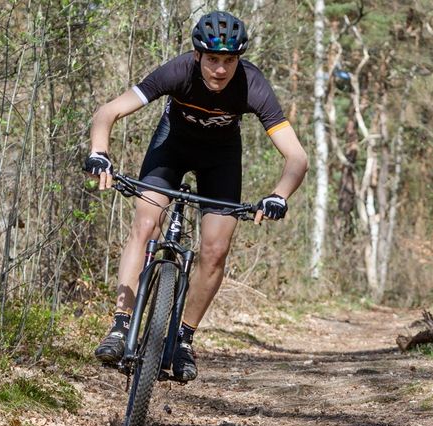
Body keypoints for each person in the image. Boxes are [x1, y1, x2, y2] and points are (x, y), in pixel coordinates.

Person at [83, 11, 308, 382]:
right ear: (197, 56)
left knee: (215, 249)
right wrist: (99, 152)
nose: (221, 70)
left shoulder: (252, 85)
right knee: (145, 223)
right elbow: (108, 112)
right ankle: (121, 325)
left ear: (240, 59)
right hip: (171, 147)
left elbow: (297, 158)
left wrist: (279, 195)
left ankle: (184, 340)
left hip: (220, 159)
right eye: (213, 60)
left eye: (230, 61)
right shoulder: (177, 72)